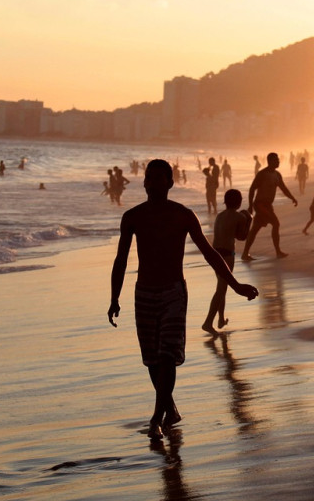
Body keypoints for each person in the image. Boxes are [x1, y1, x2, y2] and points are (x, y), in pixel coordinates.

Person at [108, 159, 258, 439]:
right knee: (152, 360)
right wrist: (114, 298)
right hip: (144, 293)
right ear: (144, 182)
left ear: (170, 182)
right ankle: (170, 409)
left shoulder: (183, 215)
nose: (152, 183)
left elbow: (210, 254)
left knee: (167, 356)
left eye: (159, 178)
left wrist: (235, 285)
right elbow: (120, 260)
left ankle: (156, 416)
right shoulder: (132, 217)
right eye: (149, 178)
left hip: (174, 292)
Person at [202, 189, 248, 334]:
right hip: (227, 255)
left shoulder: (220, 215)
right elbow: (242, 237)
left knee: (221, 287)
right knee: (221, 289)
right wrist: (249, 220)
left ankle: (221, 319)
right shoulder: (239, 216)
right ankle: (208, 322)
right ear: (239, 202)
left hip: (214, 254)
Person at [241, 152, 298, 261]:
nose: (278, 162)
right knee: (275, 224)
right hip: (260, 204)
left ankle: (245, 253)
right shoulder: (262, 174)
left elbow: (284, 188)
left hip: (268, 205)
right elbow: (252, 188)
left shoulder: (277, 175)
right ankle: (278, 252)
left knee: (255, 229)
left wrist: (292, 198)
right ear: (269, 161)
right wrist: (250, 205)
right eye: (276, 160)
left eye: (278, 160)